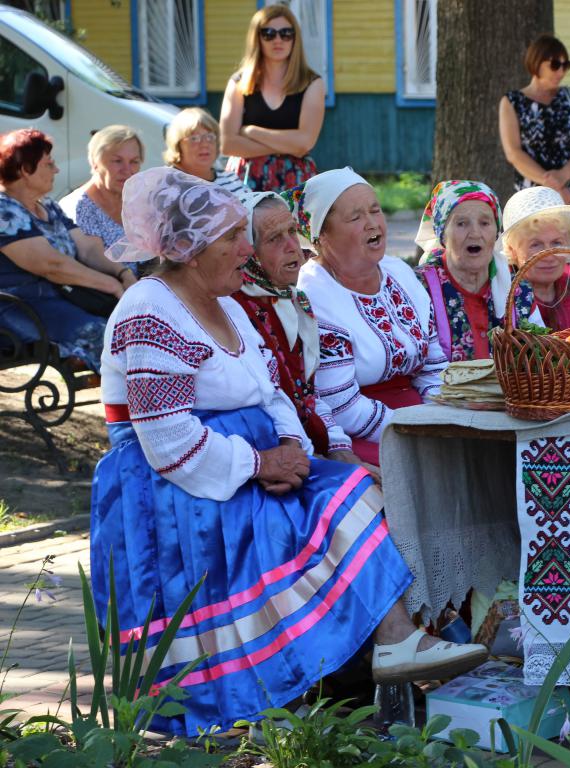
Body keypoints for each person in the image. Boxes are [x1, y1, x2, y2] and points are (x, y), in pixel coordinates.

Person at [91, 167, 487, 736]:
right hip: (175, 487)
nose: (246, 249)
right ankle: (284, 689)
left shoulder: (227, 305)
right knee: (311, 517)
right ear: (190, 250)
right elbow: (167, 440)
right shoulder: (149, 309)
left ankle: (392, 644)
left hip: (248, 463)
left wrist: (293, 448)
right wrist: (259, 464)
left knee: (358, 487)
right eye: (234, 237)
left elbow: (272, 392)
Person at [295, 168, 447, 465]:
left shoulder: (399, 272)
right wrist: (418, 429)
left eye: (375, 210)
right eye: (355, 217)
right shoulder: (314, 294)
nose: (372, 223)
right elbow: (342, 407)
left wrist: (441, 415)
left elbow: (433, 365)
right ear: (321, 235)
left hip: (421, 418)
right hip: (361, 434)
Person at [231, 190, 357, 462]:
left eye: (292, 231)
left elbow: (309, 394)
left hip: (308, 442)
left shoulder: (295, 301)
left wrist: (339, 447)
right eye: (274, 239)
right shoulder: (235, 308)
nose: (293, 247)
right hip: (268, 451)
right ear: (248, 251)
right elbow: (270, 404)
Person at [0, 129, 134, 371]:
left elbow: (88, 248)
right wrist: (111, 285)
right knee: (110, 335)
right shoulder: (4, 210)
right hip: (23, 307)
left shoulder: (48, 207)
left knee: (137, 326)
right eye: (48, 164)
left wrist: (123, 273)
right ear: (25, 169)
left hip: (65, 299)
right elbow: (52, 265)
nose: (57, 170)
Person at [415, 180, 540, 361]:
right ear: (442, 234)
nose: (475, 233)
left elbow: (541, 356)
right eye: (461, 223)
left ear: (496, 232)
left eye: (484, 223)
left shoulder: (519, 291)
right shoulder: (417, 289)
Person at [221, 4, 324, 192]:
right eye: (269, 33)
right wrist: (288, 145)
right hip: (244, 179)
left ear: (295, 38)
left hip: (295, 180)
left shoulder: (312, 83)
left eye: (286, 33)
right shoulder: (239, 83)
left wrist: (251, 131)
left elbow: (304, 143)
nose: (278, 40)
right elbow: (228, 144)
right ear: (257, 38)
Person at [499, 34, 570, 207]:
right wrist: (552, 184)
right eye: (555, 65)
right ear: (536, 62)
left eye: (566, 65)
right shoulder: (512, 102)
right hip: (532, 196)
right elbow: (513, 152)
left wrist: (563, 175)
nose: (561, 72)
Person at [501, 185, 570, 332]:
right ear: (512, 251)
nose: (549, 256)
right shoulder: (502, 297)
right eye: (536, 244)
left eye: (556, 243)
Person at [58, 125, 143, 256]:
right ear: (95, 162)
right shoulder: (81, 207)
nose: (127, 170)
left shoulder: (137, 202)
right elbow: (94, 259)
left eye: (134, 162)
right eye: (117, 161)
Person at [164, 108, 249, 196]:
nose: (204, 144)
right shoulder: (166, 185)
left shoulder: (232, 180)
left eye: (210, 137)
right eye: (194, 138)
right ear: (177, 145)